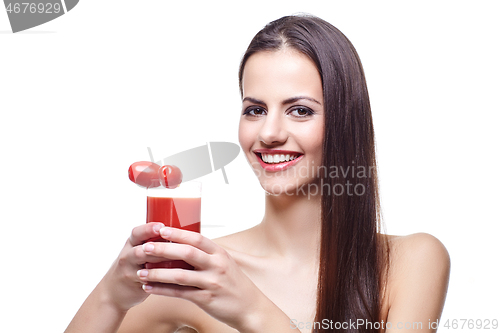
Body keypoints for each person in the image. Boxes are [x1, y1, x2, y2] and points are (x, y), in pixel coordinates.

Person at [65, 15, 450, 333]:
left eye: (300, 110)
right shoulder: (198, 274)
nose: (269, 133)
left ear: (345, 124)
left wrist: (251, 311)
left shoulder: (411, 261)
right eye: (255, 109)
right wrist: (111, 295)